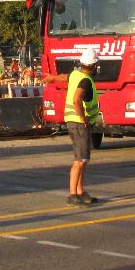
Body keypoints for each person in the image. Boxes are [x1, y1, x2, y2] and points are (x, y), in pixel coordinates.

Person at [47, 48, 102, 205]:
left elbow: (65, 77)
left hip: (75, 123)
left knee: (83, 159)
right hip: (79, 124)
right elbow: (77, 100)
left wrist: (52, 78)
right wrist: (84, 118)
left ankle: (80, 191)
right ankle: (73, 194)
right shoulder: (85, 80)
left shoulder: (76, 75)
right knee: (80, 160)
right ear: (94, 65)